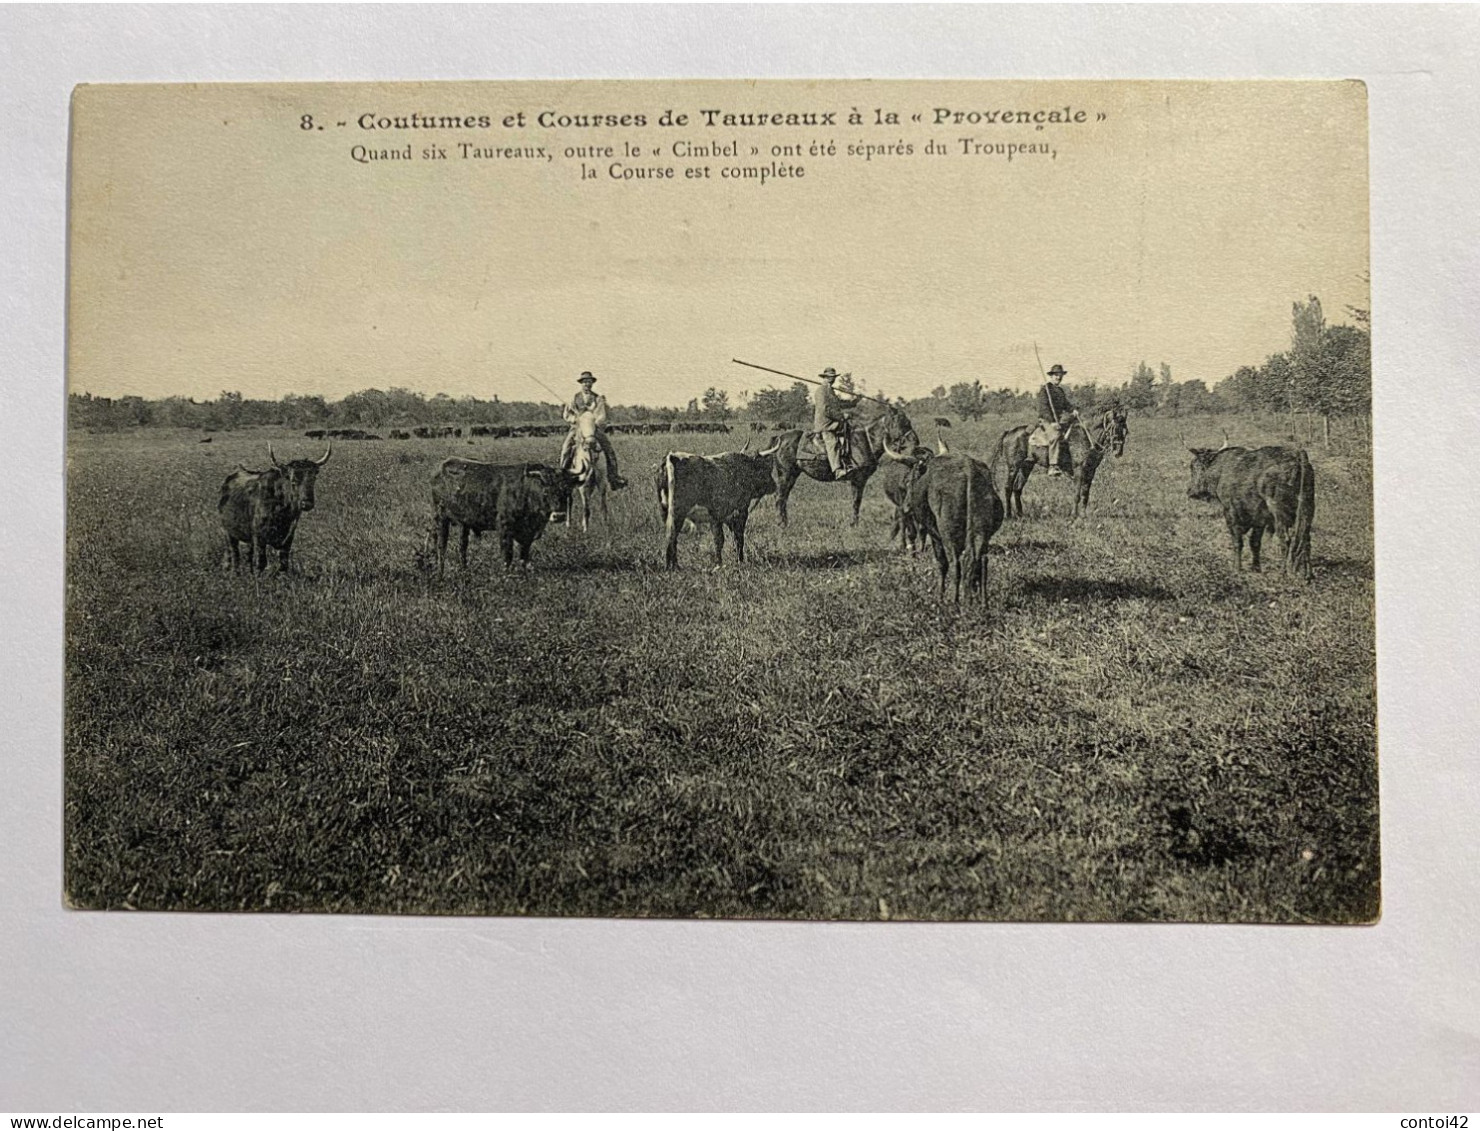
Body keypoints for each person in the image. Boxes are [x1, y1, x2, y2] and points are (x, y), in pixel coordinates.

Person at [559, 372, 627, 489]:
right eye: (585, 382)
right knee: (566, 447)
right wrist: (575, 419)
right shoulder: (574, 398)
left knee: (608, 449)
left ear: (592, 383)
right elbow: (566, 414)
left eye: (589, 382)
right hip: (577, 428)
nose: (587, 384)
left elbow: (601, 416)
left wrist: (591, 422)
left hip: (593, 428)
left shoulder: (598, 399)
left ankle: (614, 477)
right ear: (581, 384)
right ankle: (563, 476)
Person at [812, 367, 860, 479]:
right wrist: (842, 416)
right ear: (824, 378)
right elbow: (825, 409)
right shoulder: (821, 391)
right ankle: (837, 470)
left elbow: (839, 404)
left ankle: (849, 462)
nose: (831, 379)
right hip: (825, 424)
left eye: (833, 377)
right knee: (832, 442)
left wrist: (854, 402)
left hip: (834, 423)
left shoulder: (831, 391)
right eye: (829, 377)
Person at [1035, 363, 1078, 476]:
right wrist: (1052, 422)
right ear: (1051, 376)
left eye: (1060, 375)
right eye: (1056, 375)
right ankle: (1052, 466)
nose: (1058, 377)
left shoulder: (1060, 391)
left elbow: (1066, 404)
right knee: (1055, 435)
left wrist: (1072, 410)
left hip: (1057, 420)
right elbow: (1043, 408)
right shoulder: (1045, 390)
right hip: (1046, 420)